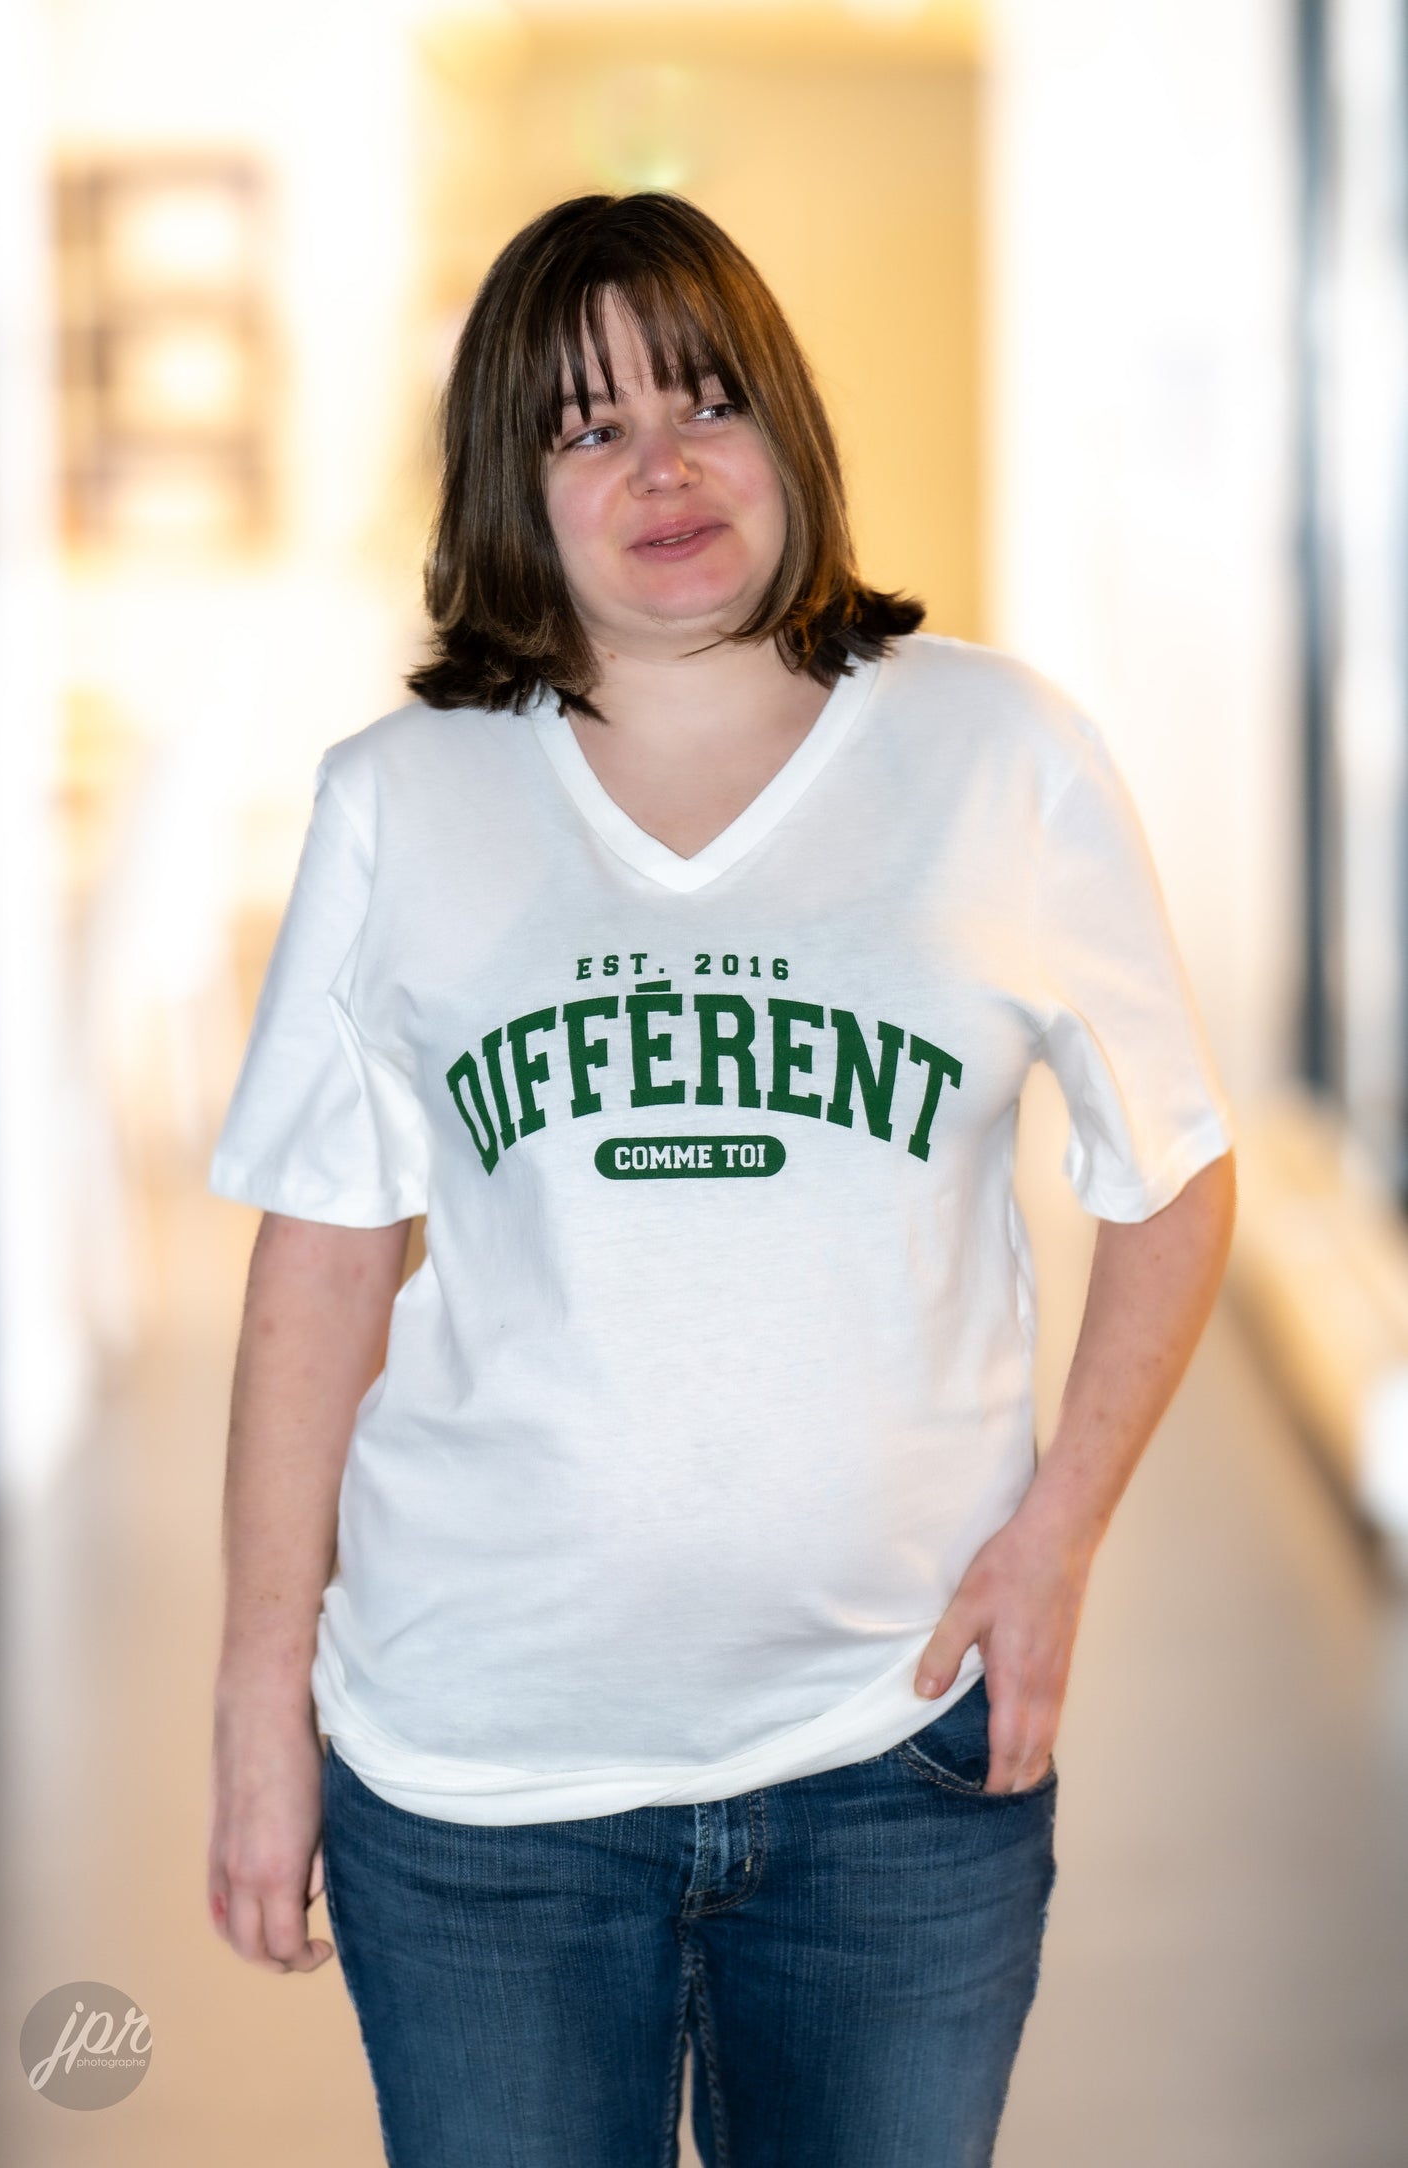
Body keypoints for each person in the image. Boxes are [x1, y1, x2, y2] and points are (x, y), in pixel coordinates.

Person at [205, 190, 1237, 2168]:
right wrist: (262, 1701)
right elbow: (319, 1269)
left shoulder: (997, 756)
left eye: (705, 400)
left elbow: (1172, 1177)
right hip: (476, 1782)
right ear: (511, 485)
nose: (660, 464)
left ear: (790, 431)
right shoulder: (399, 803)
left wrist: (1059, 1539)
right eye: (585, 426)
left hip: (889, 1767)